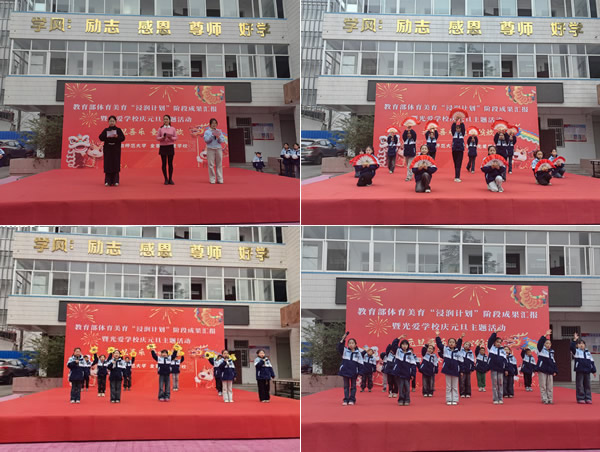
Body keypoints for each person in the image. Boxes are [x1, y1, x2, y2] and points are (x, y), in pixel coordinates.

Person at [436, 331, 464, 405]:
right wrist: (437, 336)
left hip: (455, 370)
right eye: (450, 342)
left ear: (455, 344)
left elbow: (461, 362)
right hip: (447, 370)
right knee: (448, 386)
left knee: (454, 386)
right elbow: (439, 344)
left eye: (453, 342)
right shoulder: (445, 349)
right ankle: (449, 399)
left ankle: (455, 399)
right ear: (448, 343)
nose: (451, 343)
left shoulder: (458, 351)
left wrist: (461, 371)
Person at [337, 331, 364, 406]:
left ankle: (352, 399)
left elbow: (361, 363)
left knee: (353, 386)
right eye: (349, 343)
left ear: (355, 344)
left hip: (353, 372)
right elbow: (339, 347)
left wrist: (360, 372)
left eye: (352, 343)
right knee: (346, 386)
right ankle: (346, 399)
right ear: (348, 344)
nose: (351, 344)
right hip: (345, 371)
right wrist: (343, 339)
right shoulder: (345, 351)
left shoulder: (358, 353)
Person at [99, 115, 125, 187]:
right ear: (108, 122)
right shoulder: (106, 130)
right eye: (110, 121)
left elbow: (123, 138)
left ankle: (116, 181)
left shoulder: (118, 130)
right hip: (108, 149)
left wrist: (117, 136)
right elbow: (100, 137)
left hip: (116, 150)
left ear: (115, 122)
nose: (112, 122)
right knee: (108, 164)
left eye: (113, 121)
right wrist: (106, 136)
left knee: (115, 164)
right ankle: (107, 181)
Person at [571, 332, 596, 404]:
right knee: (580, 385)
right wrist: (574, 340)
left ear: (585, 345)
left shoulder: (588, 353)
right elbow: (571, 347)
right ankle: (580, 398)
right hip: (580, 370)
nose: (581, 345)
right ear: (577, 345)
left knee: (587, 385)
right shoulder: (576, 352)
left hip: (587, 371)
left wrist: (594, 371)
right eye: (580, 343)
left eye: (583, 343)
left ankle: (588, 398)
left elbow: (592, 362)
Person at [390, 337, 416, 406]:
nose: (404, 346)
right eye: (403, 344)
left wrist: (413, 374)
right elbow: (393, 345)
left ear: (408, 346)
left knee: (407, 388)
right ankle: (401, 399)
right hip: (399, 373)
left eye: (406, 344)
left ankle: (407, 399)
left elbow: (413, 364)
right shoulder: (398, 351)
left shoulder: (410, 354)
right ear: (401, 345)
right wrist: (399, 338)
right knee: (401, 387)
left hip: (407, 374)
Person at [537, 329, 558, 404]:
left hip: (550, 371)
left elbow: (553, 361)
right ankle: (544, 399)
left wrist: (555, 370)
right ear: (544, 344)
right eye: (546, 343)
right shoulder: (540, 349)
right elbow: (540, 343)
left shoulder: (552, 352)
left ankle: (550, 399)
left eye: (549, 343)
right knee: (543, 386)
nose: (548, 345)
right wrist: (545, 335)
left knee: (550, 386)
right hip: (542, 370)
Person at [156, 114, 177, 185]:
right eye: (164, 119)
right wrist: (162, 137)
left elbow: (176, 137)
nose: (165, 120)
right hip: (163, 147)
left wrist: (171, 138)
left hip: (170, 146)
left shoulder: (173, 128)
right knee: (164, 163)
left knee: (170, 163)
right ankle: (166, 179)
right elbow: (157, 138)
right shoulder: (160, 129)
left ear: (169, 120)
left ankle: (170, 179)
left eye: (167, 119)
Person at [203, 118, 226, 184]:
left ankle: (220, 179)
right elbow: (206, 141)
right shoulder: (207, 132)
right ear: (210, 124)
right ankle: (212, 179)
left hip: (218, 148)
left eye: (215, 123)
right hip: (210, 149)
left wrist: (218, 137)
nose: (214, 125)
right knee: (211, 165)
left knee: (219, 164)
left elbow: (222, 140)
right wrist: (212, 136)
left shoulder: (219, 131)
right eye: (213, 123)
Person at [488, 330, 507, 404]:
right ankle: (495, 399)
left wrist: (506, 369)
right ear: (494, 342)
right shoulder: (491, 348)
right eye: (497, 342)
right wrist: (495, 332)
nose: (498, 343)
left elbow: (505, 361)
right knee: (495, 384)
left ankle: (500, 398)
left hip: (501, 369)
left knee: (500, 384)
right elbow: (490, 340)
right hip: (493, 368)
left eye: (500, 342)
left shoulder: (503, 350)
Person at [451, 118, 466, 182]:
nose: (458, 129)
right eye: (457, 128)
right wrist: (455, 121)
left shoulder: (462, 134)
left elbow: (463, 129)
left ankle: (457, 177)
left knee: (458, 163)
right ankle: (456, 175)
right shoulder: (454, 134)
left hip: (460, 150)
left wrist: (461, 122)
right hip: (454, 150)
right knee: (455, 163)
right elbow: (452, 128)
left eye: (459, 128)